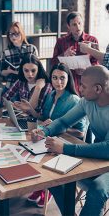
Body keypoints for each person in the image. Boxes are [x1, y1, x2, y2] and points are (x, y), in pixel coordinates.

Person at [31, 65, 109, 216]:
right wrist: (43, 131)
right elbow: (63, 122)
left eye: (84, 86)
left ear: (98, 89)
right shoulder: (87, 101)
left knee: (98, 189)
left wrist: (65, 148)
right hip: (99, 161)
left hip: (104, 157)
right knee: (51, 173)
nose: (80, 90)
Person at [14, 63, 88, 207]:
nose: (58, 82)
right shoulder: (51, 94)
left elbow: (81, 132)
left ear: (69, 79)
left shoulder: (74, 100)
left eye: (62, 78)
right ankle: (41, 187)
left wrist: (58, 127)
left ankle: (46, 189)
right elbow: (43, 118)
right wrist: (30, 110)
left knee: (35, 157)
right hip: (49, 139)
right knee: (26, 150)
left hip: (67, 144)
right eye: (54, 78)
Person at [51, 12, 99, 93]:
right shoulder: (61, 41)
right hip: (67, 84)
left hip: (87, 83)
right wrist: (64, 55)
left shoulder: (92, 40)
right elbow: (53, 63)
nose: (78, 27)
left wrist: (87, 70)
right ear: (68, 26)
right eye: (74, 24)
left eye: (80, 23)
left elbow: (97, 63)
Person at [0, 21, 38, 92]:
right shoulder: (6, 52)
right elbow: (2, 72)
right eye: (11, 34)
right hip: (11, 85)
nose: (13, 37)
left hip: (28, 85)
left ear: (22, 34)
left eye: (16, 34)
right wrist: (9, 71)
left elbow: (37, 68)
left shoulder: (31, 49)